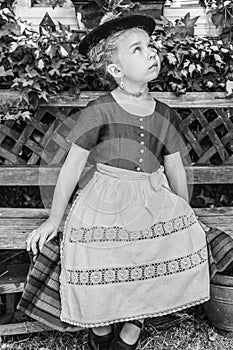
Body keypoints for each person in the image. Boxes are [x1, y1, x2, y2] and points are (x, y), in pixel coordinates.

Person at [18, 14, 210, 350]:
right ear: (116, 71)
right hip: (106, 198)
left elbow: (175, 168)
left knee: (154, 245)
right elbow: (72, 167)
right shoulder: (100, 110)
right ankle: (102, 321)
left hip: (153, 196)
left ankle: (134, 321)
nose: (151, 53)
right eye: (137, 49)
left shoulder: (165, 114)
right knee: (101, 250)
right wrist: (53, 217)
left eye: (150, 46)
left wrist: (186, 213)